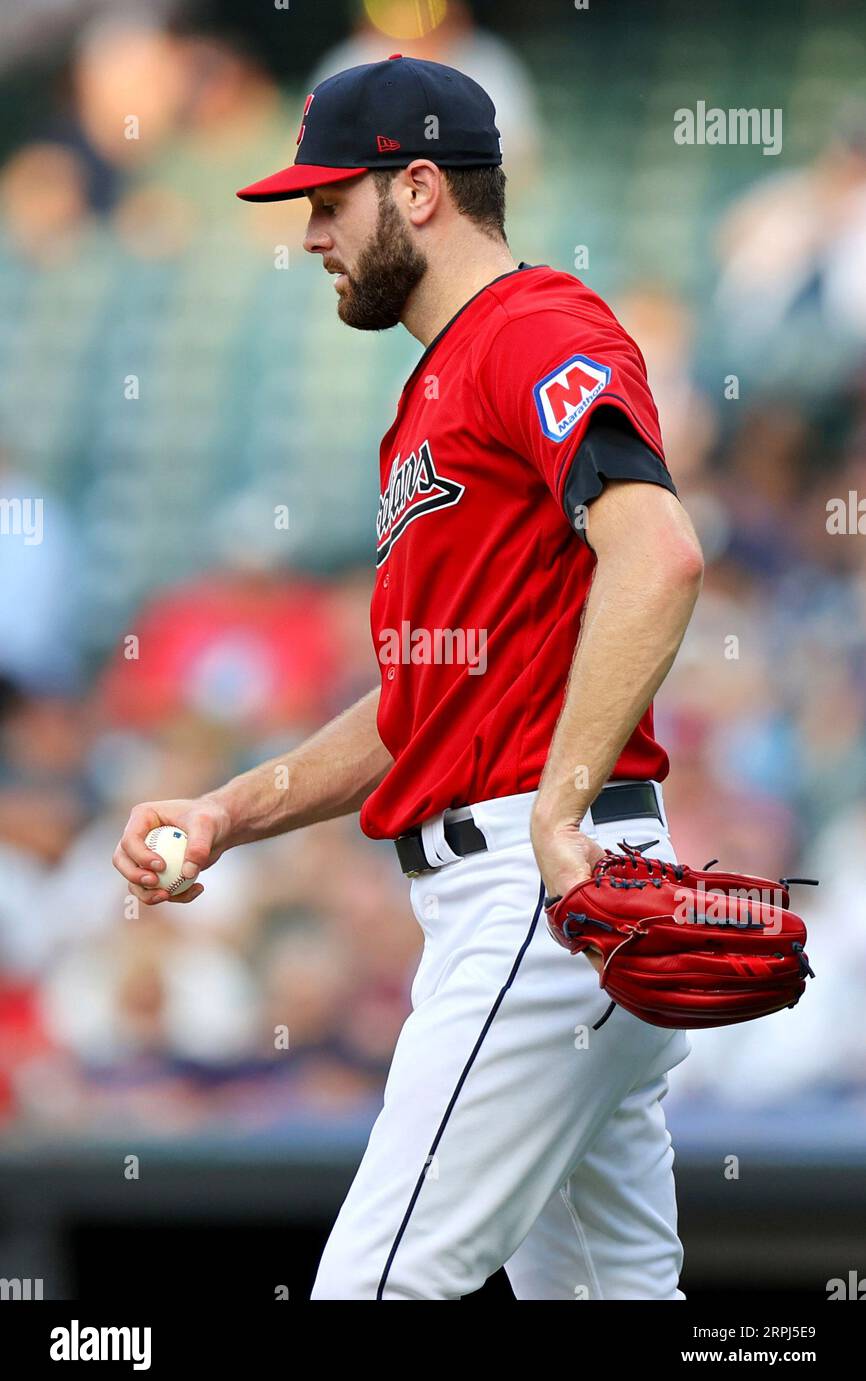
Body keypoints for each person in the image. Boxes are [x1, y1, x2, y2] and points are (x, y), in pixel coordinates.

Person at [113, 55, 704, 1300]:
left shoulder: (532, 327)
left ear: (421, 188)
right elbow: (419, 702)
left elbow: (655, 556)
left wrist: (555, 808)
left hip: (536, 890)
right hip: (544, 894)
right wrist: (227, 811)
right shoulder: (433, 391)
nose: (313, 232)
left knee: (374, 1288)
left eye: (333, 199)